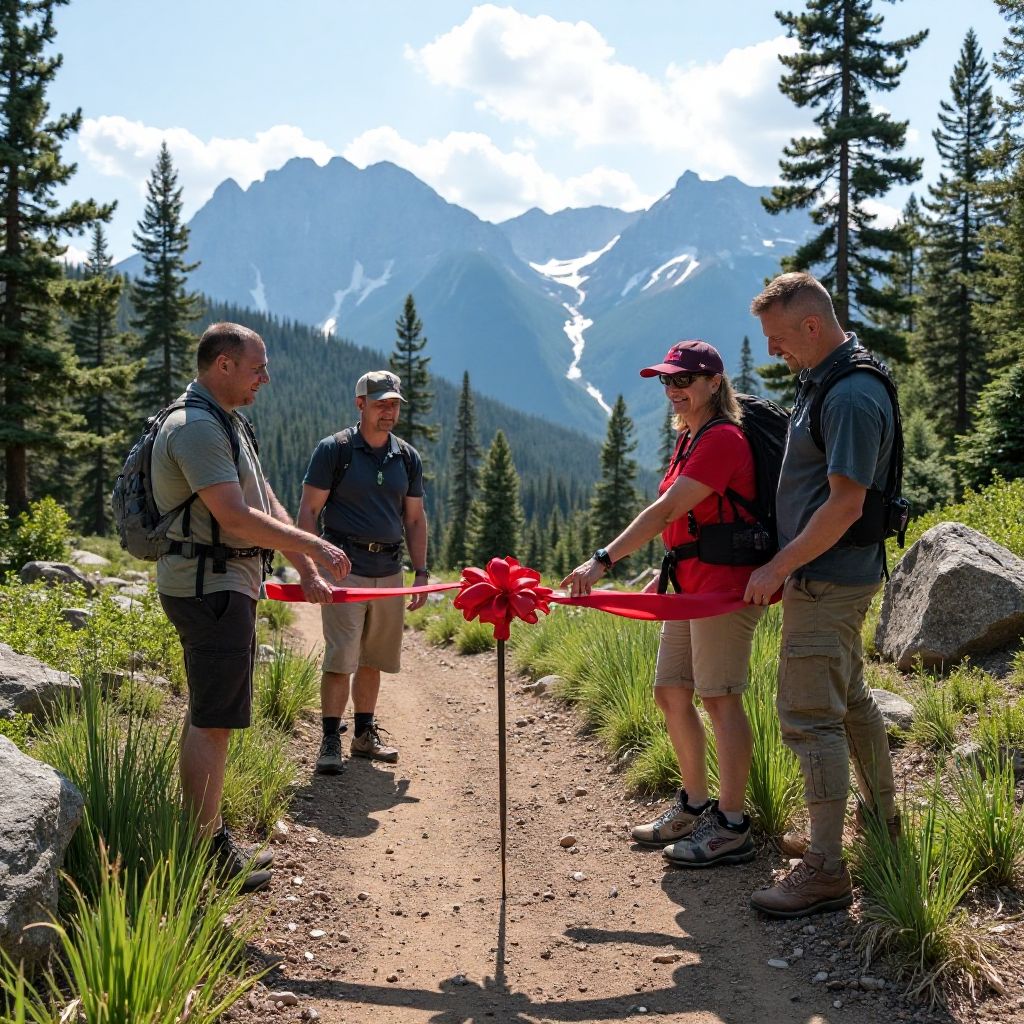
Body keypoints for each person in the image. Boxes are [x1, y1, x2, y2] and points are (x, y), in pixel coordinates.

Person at [153, 322, 350, 893]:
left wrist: (306, 567)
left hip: (222, 584)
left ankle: (209, 844)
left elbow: (266, 503)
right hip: (207, 588)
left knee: (214, 717)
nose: (266, 376)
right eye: (257, 366)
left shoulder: (227, 422)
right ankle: (203, 854)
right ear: (223, 366)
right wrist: (315, 544)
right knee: (213, 721)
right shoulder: (195, 429)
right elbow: (235, 518)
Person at [562, 340, 765, 868]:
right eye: (666, 382)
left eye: (684, 381)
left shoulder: (721, 439)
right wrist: (669, 563)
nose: (673, 390)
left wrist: (601, 560)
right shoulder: (691, 437)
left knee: (720, 698)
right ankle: (695, 803)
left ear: (714, 383)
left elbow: (667, 509)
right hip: (689, 585)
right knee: (671, 691)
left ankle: (733, 823)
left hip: (722, 591)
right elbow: (685, 521)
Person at [744, 272, 899, 919]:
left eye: (779, 340)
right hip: (830, 575)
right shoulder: (824, 379)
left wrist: (778, 566)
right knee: (851, 699)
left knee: (809, 718)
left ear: (812, 326)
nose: (775, 352)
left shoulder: (852, 394)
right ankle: (881, 824)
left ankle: (825, 869)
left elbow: (844, 505)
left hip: (829, 577)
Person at [297, 370, 429, 774]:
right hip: (344, 571)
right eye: (380, 404)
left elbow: (415, 520)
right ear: (360, 404)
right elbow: (308, 513)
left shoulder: (406, 456)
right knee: (341, 659)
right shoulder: (333, 450)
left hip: (390, 572)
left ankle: (364, 735)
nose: (389, 412)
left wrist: (421, 573)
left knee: (373, 659)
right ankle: (330, 740)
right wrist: (313, 569)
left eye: (394, 405)